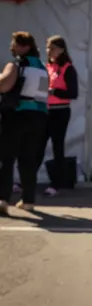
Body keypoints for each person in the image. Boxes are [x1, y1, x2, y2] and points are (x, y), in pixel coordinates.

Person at [0, 31, 49, 214]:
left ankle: (3, 199)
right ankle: (28, 200)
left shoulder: (17, 65)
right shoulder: (42, 67)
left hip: (17, 114)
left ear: (25, 47)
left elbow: (5, 85)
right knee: (28, 158)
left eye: (15, 44)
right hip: (39, 116)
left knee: (7, 157)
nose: (12, 47)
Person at [38, 35, 79, 197]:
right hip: (46, 110)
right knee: (38, 144)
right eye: (48, 48)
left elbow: (73, 93)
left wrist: (54, 91)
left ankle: (56, 183)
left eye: (53, 48)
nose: (50, 51)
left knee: (57, 145)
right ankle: (27, 179)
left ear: (61, 50)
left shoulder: (68, 68)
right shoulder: (47, 66)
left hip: (61, 111)